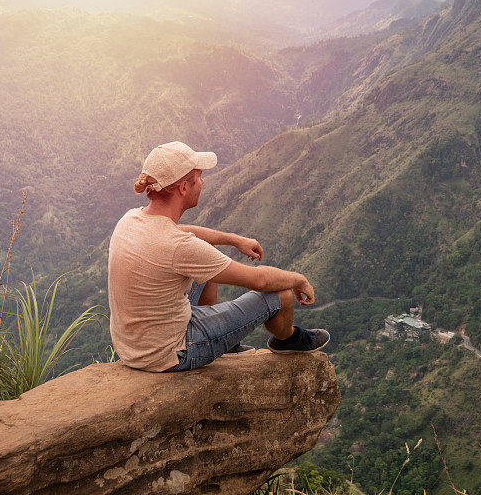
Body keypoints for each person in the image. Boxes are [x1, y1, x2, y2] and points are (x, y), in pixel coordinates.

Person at [107, 141, 329, 372]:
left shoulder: (130, 220)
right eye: (199, 177)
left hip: (133, 346)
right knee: (280, 294)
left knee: (205, 258)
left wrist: (234, 239)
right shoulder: (179, 247)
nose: (202, 182)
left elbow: (184, 235)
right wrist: (300, 279)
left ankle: (226, 342)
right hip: (171, 352)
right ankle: (289, 340)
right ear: (183, 188)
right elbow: (259, 280)